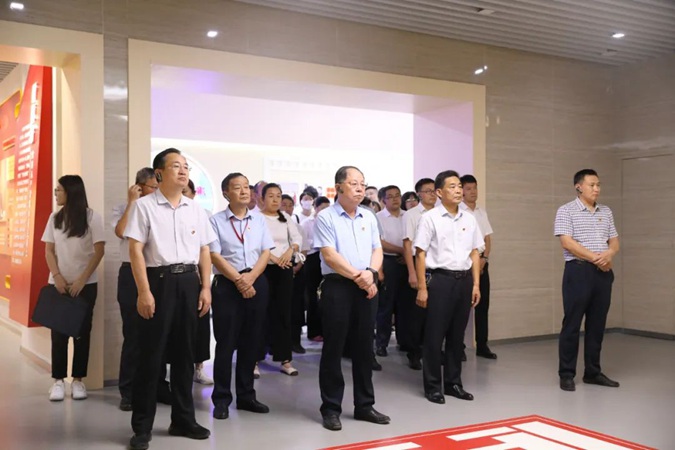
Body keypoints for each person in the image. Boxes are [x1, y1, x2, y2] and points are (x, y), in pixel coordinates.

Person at [124, 148, 215, 450]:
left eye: (186, 166)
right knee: (151, 357)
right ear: (159, 173)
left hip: (189, 282)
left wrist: (205, 287)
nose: (183, 170)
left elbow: (204, 250)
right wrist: (143, 291)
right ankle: (142, 427)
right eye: (176, 165)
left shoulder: (195, 209)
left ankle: (183, 420)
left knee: (185, 355)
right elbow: (135, 250)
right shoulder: (144, 207)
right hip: (158, 282)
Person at [314, 166, 390, 431]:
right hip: (338, 286)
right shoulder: (326, 216)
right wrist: (361, 277)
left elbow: (377, 249)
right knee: (334, 348)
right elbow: (329, 256)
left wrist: (371, 274)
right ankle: (331, 408)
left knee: (364, 347)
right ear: (339, 187)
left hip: (367, 284)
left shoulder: (368, 216)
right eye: (354, 183)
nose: (360, 188)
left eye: (363, 184)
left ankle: (365, 405)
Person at [414, 170, 482, 405]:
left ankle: (453, 383)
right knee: (435, 335)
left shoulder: (469, 218)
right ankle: (433, 386)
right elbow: (420, 253)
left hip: (464, 281)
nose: (458, 190)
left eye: (459, 186)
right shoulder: (430, 218)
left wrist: (476, 284)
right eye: (452, 186)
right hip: (440, 280)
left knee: (456, 335)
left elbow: (475, 252)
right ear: (440, 192)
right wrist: (422, 287)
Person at [209, 172, 274, 420]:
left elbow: (266, 252)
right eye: (238, 187)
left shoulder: (258, 220)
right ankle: (221, 399)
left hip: (256, 282)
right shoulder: (215, 221)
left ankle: (247, 396)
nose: (244, 191)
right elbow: (215, 255)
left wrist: (251, 278)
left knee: (251, 341)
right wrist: (239, 280)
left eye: (247, 187)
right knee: (226, 343)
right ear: (226, 193)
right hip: (227, 285)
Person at [554, 169, 620, 392]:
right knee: (572, 324)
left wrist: (609, 254)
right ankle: (566, 374)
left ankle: (593, 372)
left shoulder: (606, 211)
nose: (596, 189)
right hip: (578, 272)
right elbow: (567, 243)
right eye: (592, 185)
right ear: (578, 186)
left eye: (598, 185)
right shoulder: (566, 210)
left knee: (597, 325)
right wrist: (596, 258)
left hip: (603, 274)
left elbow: (614, 241)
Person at [112, 167, 172, 411]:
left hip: (158, 273)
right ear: (138, 187)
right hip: (131, 274)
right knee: (134, 335)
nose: (157, 191)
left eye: (158, 187)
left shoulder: (162, 209)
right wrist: (132, 203)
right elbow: (121, 231)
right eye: (152, 187)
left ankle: (159, 386)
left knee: (160, 334)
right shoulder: (124, 208)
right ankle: (128, 391)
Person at [42, 175, 105, 402]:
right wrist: (57, 277)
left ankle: (78, 380)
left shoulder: (92, 217)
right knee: (58, 334)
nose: (56, 194)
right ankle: (58, 381)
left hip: (85, 286)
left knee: (81, 333)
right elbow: (49, 251)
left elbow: (99, 251)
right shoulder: (54, 218)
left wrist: (81, 280)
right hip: (58, 284)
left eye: (58, 190)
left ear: (71, 192)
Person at [259, 183, 303, 375]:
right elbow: (255, 243)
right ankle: (255, 358)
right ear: (262, 198)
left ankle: (285, 359)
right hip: (262, 269)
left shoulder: (285, 217)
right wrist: (273, 258)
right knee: (260, 313)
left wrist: (290, 251)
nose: (276, 199)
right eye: (271, 196)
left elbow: (297, 239)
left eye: (278, 196)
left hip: (284, 268)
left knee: (283, 312)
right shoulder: (256, 217)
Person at [459, 174, 497, 360]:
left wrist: (485, 258)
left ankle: (482, 345)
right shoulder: (459, 211)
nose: (473, 192)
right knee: (462, 308)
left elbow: (487, 238)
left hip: (482, 262)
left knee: (483, 305)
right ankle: (458, 346)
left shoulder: (481, 212)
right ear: (461, 191)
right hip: (465, 264)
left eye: (475, 188)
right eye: (468, 189)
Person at [402, 178, 437, 370]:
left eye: (434, 190)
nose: (432, 194)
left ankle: (432, 352)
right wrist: (412, 273)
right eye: (428, 191)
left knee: (435, 313)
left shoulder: (441, 213)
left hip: (437, 267)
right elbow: (408, 245)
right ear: (419, 194)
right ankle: (414, 353)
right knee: (417, 314)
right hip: (419, 265)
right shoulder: (412, 215)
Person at [182, 179, 215, 385]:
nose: (182, 195)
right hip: (171, 276)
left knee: (199, 325)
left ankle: (199, 367)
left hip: (195, 274)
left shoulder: (202, 214)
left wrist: (205, 285)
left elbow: (206, 251)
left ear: (194, 194)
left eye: (186, 191)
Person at [374, 185, 408, 358]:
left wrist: (407, 255)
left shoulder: (407, 216)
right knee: (386, 306)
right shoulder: (378, 218)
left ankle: (404, 341)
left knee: (405, 305)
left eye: (397, 195)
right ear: (383, 200)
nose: (395, 199)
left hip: (407, 263)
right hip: (388, 262)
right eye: (390, 196)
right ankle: (382, 343)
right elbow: (379, 243)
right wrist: (402, 251)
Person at [301, 196, 330, 342]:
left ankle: (326, 329)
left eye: (327, 208)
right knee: (312, 296)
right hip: (312, 259)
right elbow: (304, 242)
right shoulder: (307, 223)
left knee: (326, 296)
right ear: (316, 208)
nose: (325, 211)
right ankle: (313, 331)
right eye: (322, 208)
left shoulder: (330, 222)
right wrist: (319, 242)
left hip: (326, 259)